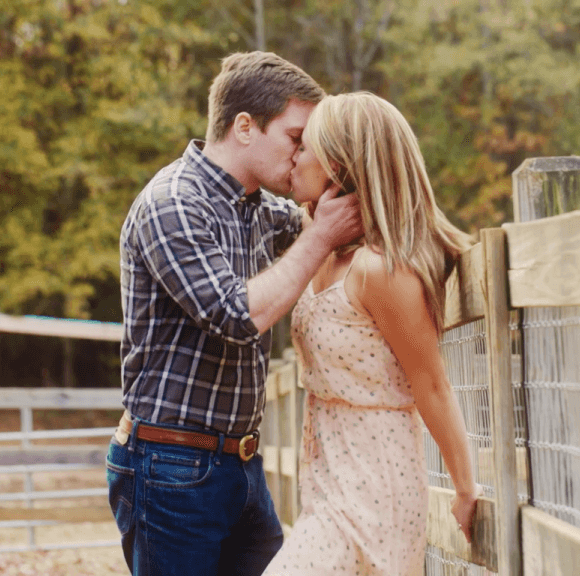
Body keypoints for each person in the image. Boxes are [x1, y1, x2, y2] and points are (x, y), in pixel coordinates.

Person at [105, 52, 363, 576]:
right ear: (244, 126)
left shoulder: (261, 211)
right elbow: (235, 314)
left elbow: (349, 232)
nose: (301, 155)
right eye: (296, 138)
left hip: (240, 463)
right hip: (170, 466)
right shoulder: (173, 202)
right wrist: (319, 235)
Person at [263, 92, 481, 576]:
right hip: (326, 482)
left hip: (375, 486)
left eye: (305, 145)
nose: (294, 155)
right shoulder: (320, 248)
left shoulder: (378, 271)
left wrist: (466, 487)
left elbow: (431, 383)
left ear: (339, 165)